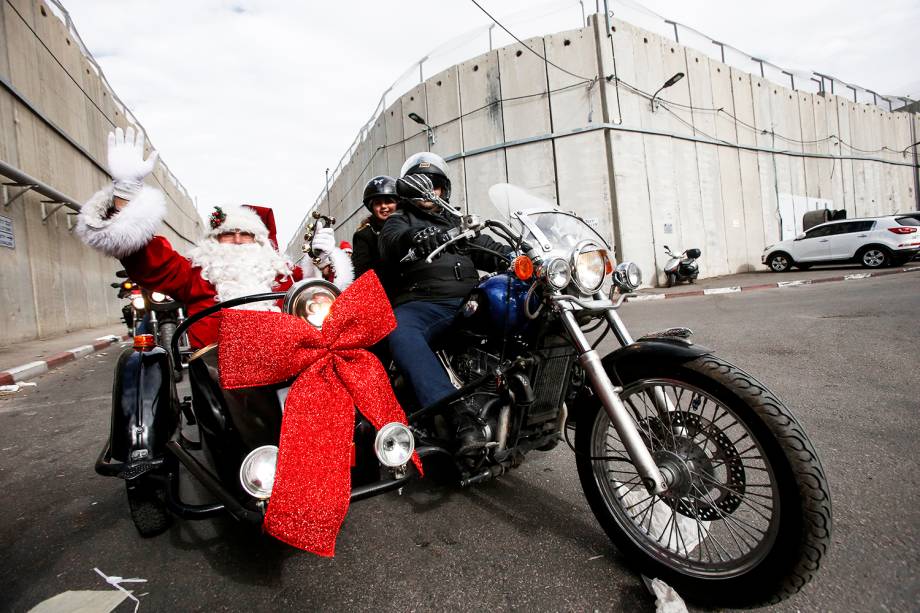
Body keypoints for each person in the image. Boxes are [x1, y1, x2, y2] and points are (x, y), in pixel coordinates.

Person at [77, 127, 353, 349]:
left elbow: (323, 295)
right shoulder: (195, 273)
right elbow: (149, 260)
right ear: (214, 241)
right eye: (227, 234)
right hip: (218, 370)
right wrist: (125, 195)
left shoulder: (283, 275)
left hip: (288, 359)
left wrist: (323, 260)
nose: (237, 240)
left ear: (259, 242)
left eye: (246, 235)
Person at [378, 152, 511, 453]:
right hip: (425, 304)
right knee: (400, 331)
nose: (429, 192)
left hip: (471, 300)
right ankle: (457, 415)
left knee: (526, 305)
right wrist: (417, 236)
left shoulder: (457, 222)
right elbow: (392, 242)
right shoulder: (400, 220)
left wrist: (518, 254)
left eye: (434, 185)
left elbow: (489, 248)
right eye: (420, 185)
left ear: (444, 190)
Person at [351, 175, 399, 301]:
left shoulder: (410, 225)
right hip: (383, 296)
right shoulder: (363, 235)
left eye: (388, 201)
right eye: (378, 203)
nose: (383, 206)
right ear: (371, 207)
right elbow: (362, 274)